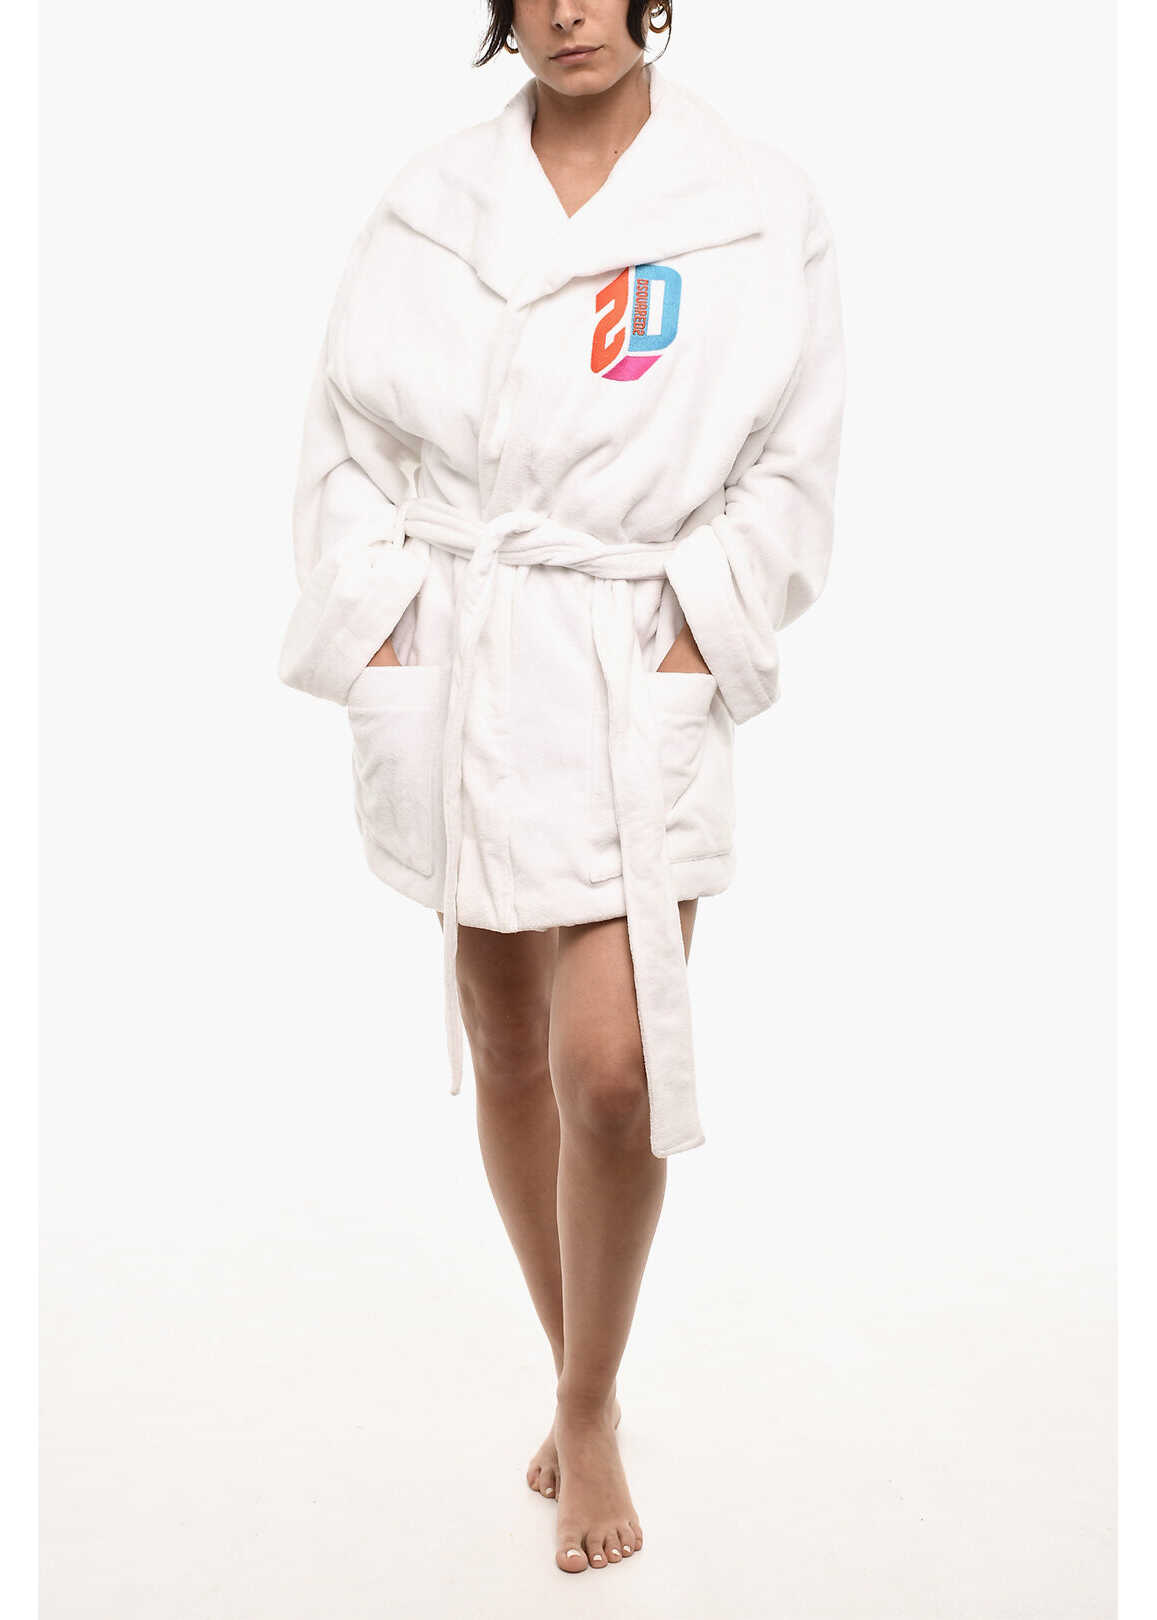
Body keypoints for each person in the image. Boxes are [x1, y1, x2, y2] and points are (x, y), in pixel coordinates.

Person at [279, 0, 845, 1575]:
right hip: (463, 654)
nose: (568, 12)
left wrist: (693, 634)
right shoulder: (430, 200)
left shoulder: (753, 205)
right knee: (504, 1041)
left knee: (612, 1070)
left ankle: (587, 1400)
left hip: (619, 653)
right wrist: (383, 622)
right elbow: (342, 435)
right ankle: (565, 1359)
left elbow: (792, 465)